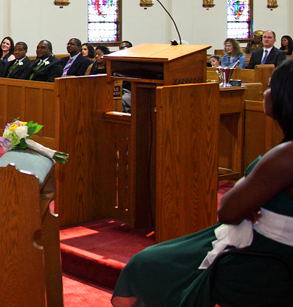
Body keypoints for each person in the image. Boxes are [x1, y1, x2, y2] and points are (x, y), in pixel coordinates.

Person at [111, 59, 293, 307]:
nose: (265, 92)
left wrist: (249, 197)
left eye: (271, 86)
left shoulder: (286, 157)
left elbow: (227, 211)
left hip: (263, 257)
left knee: (145, 265)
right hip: (263, 242)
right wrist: (252, 197)